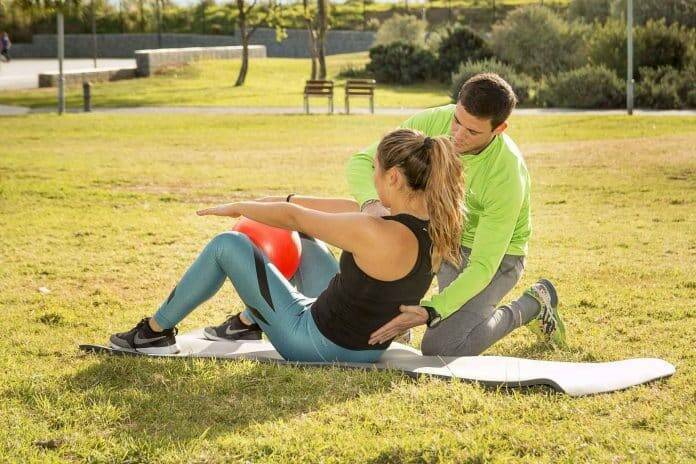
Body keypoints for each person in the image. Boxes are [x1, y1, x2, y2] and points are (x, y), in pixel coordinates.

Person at [109, 128, 464, 362]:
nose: (372, 178)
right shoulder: (436, 223)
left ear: (394, 177)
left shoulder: (373, 230)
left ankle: (152, 333)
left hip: (316, 343)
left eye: (375, 170)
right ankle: (248, 323)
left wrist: (238, 207)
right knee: (305, 241)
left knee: (227, 245)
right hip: (367, 345)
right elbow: (322, 208)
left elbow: (293, 217)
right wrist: (278, 199)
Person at [349, 73, 567, 356]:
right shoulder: (434, 121)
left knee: (443, 347)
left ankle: (533, 304)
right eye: (457, 121)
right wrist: (372, 206)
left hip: (497, 256)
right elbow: (363, 161)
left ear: (500, 128)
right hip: (445, 238)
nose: (457, 135)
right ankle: (397, 321)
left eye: (472, 132)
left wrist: (431, 310)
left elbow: (482, 266)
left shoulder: (506, 174)